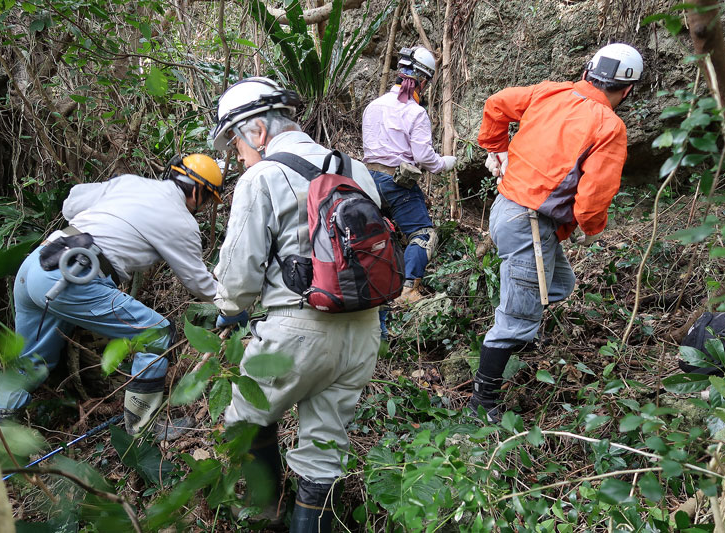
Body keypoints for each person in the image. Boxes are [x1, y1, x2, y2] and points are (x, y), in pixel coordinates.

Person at [211, 77, 381, 533]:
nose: (237, 154)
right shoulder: (357, 169)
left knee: (243, 418)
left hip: (297, 331)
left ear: (257, 131)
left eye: (235, 142)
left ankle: (264, 512)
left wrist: (227, 312)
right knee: (324, 449)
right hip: (363, 329)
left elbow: (238, 276)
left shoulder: (262, 176)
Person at [469, 43, 644, 422]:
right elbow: (594, 194)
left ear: (588, 71)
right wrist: (591, 226)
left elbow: (497, 102)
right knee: (517, 319)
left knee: (561, 283)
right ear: (627, 90)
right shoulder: (610, 126)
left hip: (510, 212)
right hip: (527, 223)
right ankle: (482, 403)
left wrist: (495, 147)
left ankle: (521, 325)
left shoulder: (552, 90)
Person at [0, 154, 223, 440]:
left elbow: (71, 203)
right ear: (199, 192)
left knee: (31, 361)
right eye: (208, 199)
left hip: (37, 264)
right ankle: (143, 429)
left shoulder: (132, 183)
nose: (204, 207)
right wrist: (233, 304)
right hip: (70, 277)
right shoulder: (181, 222)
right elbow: (199, 284)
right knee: (156, 333)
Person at [361, 45, 457, 329]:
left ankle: (376, 290)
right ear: (423, 81)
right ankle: (408, 289)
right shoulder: (415, 113)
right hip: (397, 182)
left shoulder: (373, 106)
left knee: (379, 237)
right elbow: (424, 157)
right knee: (423, 234)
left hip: (367, 180)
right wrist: (445, 163)